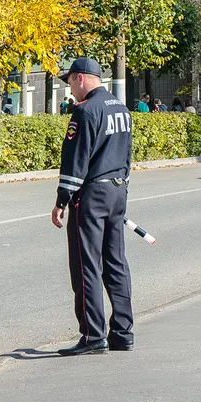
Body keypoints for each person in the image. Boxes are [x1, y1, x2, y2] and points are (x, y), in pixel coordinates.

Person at [52, 57, 134, 356]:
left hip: (92, 196)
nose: (70, 89)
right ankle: (123, 333)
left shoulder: (85, 111)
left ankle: (93, 336)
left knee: (86, 265)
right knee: (116, 263)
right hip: (117, 191)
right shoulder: (121, 109)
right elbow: (126, 155)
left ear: (81, 78)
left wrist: (62, 200)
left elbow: (75, 161)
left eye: (70, 81)